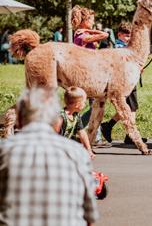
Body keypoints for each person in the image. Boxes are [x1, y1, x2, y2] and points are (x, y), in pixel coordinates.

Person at [0, 88, 99, 226]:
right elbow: (90, 214)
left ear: (20, 121)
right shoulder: (77, 153)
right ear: (55, 122)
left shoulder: (4, 150)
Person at [101, 22, 147, 146]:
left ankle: (110, 127)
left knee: (130, 107)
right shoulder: (119, 47)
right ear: (119, 35)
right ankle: (128, 135)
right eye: (126, 36)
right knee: (131, 108)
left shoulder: (126, 46)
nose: (129, 38)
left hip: (130, 79)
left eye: (131, 36)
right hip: (125, 80)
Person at [71, 5, 109, 147]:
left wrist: (87, 29)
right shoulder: (82, 36)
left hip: (91, 74)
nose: (93, 22)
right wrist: (88, 30)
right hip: (88, 76)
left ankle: (95, 137)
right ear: (85, 20)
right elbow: (104, 35)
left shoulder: (81, 34)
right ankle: (76, 128)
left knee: (95, 105)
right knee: (95, 106)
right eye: (91, 20)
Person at [57, 87, 95, 159]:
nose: (85, 104)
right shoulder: (61, 117)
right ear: (77, 104)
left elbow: (82, 133)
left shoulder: (76, 115)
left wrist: (88, 150)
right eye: (84, 102)